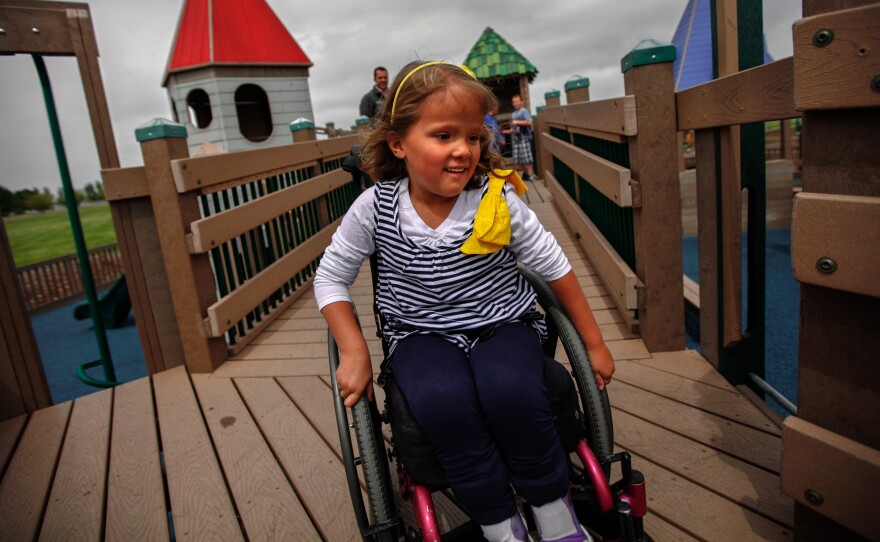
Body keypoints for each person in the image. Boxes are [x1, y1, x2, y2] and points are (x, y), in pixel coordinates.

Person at [314, 61, 614, 542]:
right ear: (398, 144)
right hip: (418, 334)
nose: (463, 151)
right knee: (443, 401)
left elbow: (555, 267)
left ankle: (554, 512)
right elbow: (330, 279)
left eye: (473, 138)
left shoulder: (496, 198)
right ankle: (499, 521)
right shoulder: (374, 208)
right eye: (443, 136)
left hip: (502, 323)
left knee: (511, 388)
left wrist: (594, 343)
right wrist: (354, 349)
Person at [503, 94, 535, 180]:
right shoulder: (514, 114)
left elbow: (529, 122)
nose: (515, 104)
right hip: (516, 139)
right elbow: (515, 127)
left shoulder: (524, 111)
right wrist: (509, 131)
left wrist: (517, 122)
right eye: (514, 102)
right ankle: (526, 173)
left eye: (517, 101)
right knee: (518, 158)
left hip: (524, 137)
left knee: (527, 158)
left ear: (521, 102)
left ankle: (531, 175)